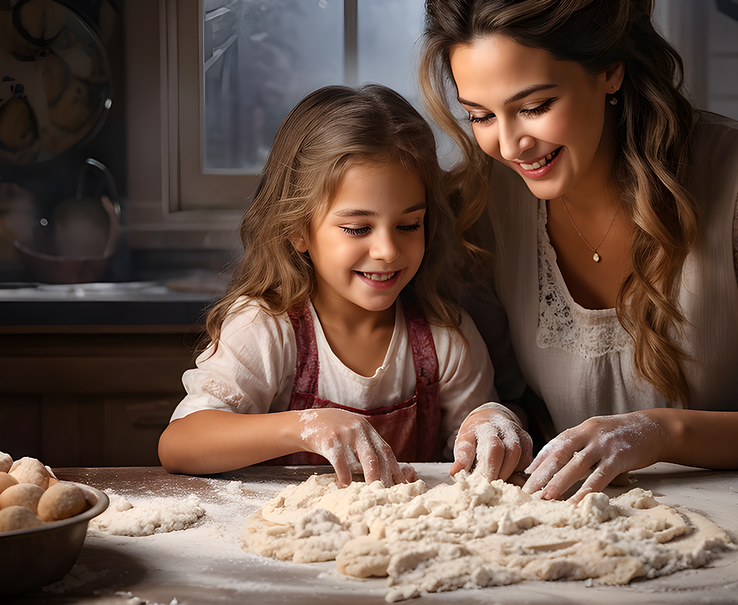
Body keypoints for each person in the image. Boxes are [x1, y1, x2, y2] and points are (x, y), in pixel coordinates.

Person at [420, 0, 738, 502]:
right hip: (570, 527)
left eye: (534, 107)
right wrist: (489, 418)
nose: (509, 146)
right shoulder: (485, 201)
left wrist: (661, 433)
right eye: (480, 115)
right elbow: (497, 392)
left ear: (610, 70)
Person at [158, 84, 527, 486]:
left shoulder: (446, 338)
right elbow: (180, 444)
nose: (387, 250)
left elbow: (476, 461)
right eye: (357, 228)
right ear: (299, 230)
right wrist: (305, 426)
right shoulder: (266, 328)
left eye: (408, 225)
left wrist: (490, 422)